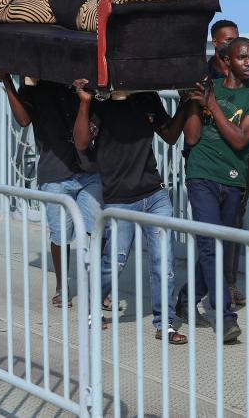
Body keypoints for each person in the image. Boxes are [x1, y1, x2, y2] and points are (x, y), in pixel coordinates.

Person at [73, 79, 192, 344]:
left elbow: (170, 135)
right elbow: (81, 143)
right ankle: (92, 307)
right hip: (119, 200)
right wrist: (84, 103)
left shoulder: (146, 96)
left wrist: (185, 103)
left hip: (154, 195)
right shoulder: (99, 101)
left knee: (164, 263)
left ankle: (165, 324)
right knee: (114, 262)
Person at [176, 37, 249, 342]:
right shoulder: (209, 89)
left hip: (233, 178)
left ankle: (185, 299)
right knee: (210, 244)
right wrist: (192, 103)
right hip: (201, 174)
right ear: (227, 61)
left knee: (218, 245)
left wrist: (213, 105)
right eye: (243, 57)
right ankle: (225, 317)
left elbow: (241, 140)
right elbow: (192, 138)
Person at [0, 63, 102, 307]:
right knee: (60, 234)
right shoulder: (34, 84)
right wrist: (6, 81)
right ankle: (62, 286)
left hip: (88, 168)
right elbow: (23, 120)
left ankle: (101, 287)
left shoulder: (83, 82)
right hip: (55, 171)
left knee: (97, 229)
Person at [206, 20, 249, 307]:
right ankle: (204, 289)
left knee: (232, 222)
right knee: (208, 228)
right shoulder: (205, 75)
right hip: (206, 161)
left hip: (239, 159)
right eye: (227, 41)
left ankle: (228, 283)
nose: (232, 44)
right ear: (215, 44)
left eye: (236, 39)